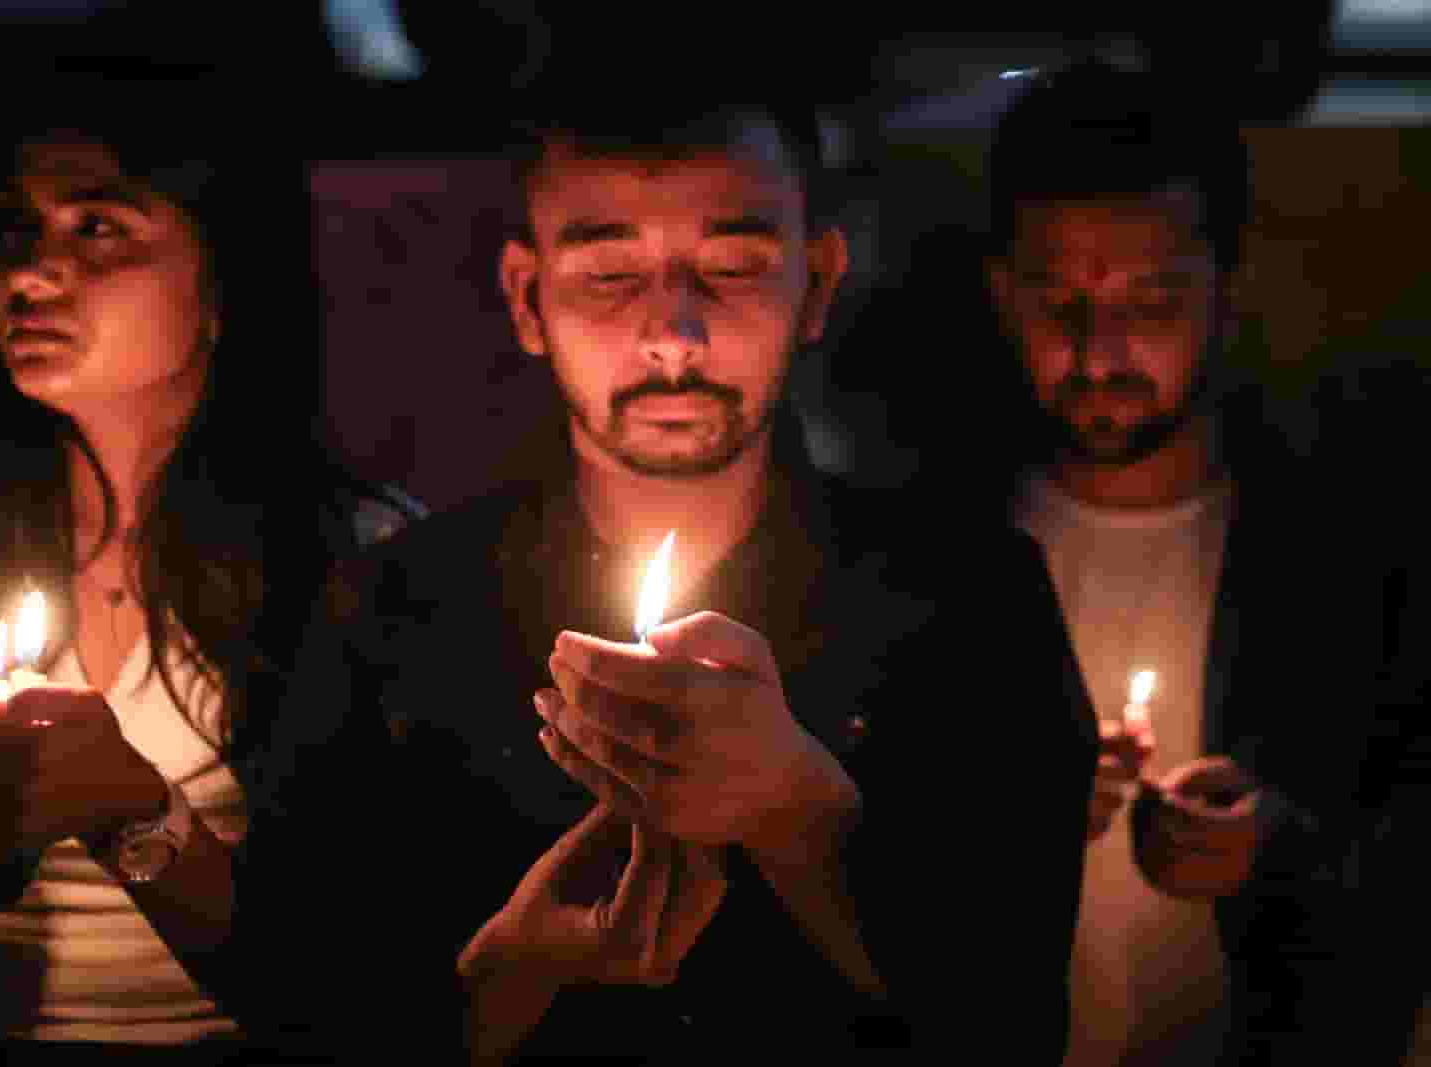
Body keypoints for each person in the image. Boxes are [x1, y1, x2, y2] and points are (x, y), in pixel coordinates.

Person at [253, 98, 1097, 1063]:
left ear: (817, 283)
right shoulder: (393, 610)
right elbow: (302, 1012)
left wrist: (798, 815)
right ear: (527, 299)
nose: (674, 337)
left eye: (733, 268)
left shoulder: (974, 599)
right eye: (611, 275)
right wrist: (510, 975)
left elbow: (1014, 1023)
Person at [0, 90, 414, 1061]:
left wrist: (132, 814)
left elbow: (362, 981)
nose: (30, 270)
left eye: (98, 226)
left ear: (222, 280)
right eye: (17, 227)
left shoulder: (361, 557)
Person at [985, 61, 1428, 1066]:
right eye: (1057, 299)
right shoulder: (936, 550)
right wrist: (1002, 806)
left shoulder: (1348, 556)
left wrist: (1276, 842)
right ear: (1000, 293)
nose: (1099, 352)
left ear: (1226, 289)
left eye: (1149, 299)